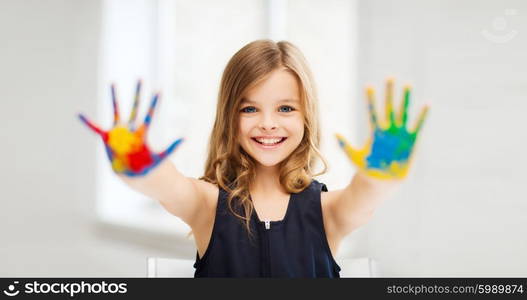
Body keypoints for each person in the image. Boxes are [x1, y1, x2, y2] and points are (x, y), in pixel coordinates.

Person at [78, 39, 429, 278]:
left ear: (307, 117)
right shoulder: (206, 204)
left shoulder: (329, 211)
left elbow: (367, 195)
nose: (267, 123)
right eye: (249, 108)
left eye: (285, 108)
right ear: (229, 115)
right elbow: (164, 183)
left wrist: (382, 171)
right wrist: (137, 162)